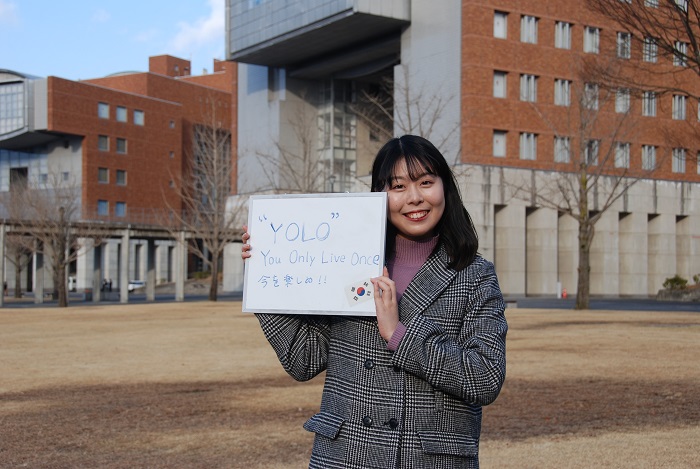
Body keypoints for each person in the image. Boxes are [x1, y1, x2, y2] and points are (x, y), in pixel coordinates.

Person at [241, 135, 507, 469]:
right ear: (379, 196)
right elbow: (303, 359)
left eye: (426, 182)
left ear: (445, 188)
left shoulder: (475, 275)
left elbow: (485, 378)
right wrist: (265, 276)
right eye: (397, 187)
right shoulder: (347, 262)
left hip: (428, 459)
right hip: (347, 455)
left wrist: (400, 334)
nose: (414, 198)